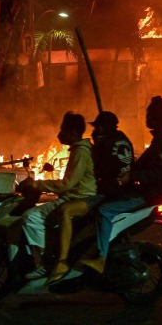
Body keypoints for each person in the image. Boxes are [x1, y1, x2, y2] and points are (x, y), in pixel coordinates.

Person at [82, 96, 162, 274]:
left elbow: (159, 172)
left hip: (150, 194)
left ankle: (101, 258)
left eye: (149, 113)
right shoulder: (160, 138)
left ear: (157, 116)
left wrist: (132, 176)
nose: (146, 116)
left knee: (105, 211)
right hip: (146, 190)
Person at [48, 111, 133, 282]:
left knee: (65, 210)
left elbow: (98, 172)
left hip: (108, 194)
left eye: (95, 128)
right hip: (121, 191)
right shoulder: (123, 140)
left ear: (101, 128)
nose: (92, 133)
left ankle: (64, 261)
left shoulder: (101, 146)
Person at [20, 112, 97, 280]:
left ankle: (42, 264)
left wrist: (37, 184)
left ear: (74, 133)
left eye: (63, 130)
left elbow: (66, 184)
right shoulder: (81, 150)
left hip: (78, 198)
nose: (59, 134)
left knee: (30, 217)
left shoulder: (80, 152)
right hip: (78, 197)